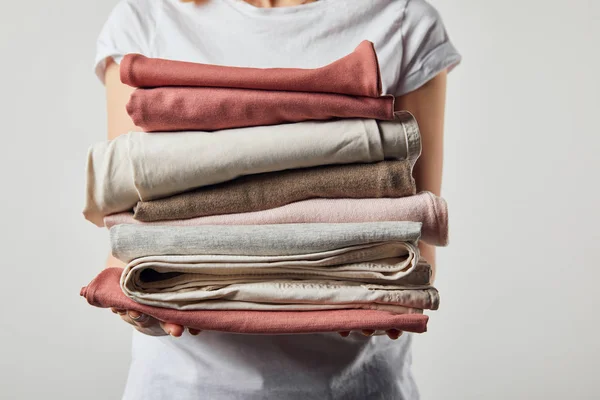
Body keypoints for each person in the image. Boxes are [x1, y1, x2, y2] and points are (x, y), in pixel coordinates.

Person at [96, 0, 461, 398]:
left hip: (355, 387)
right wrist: (138, 299)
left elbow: (414, 240)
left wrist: (382, 296)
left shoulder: (403, 20)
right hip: (178, 386)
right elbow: (130, 225)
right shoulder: (146, 19)